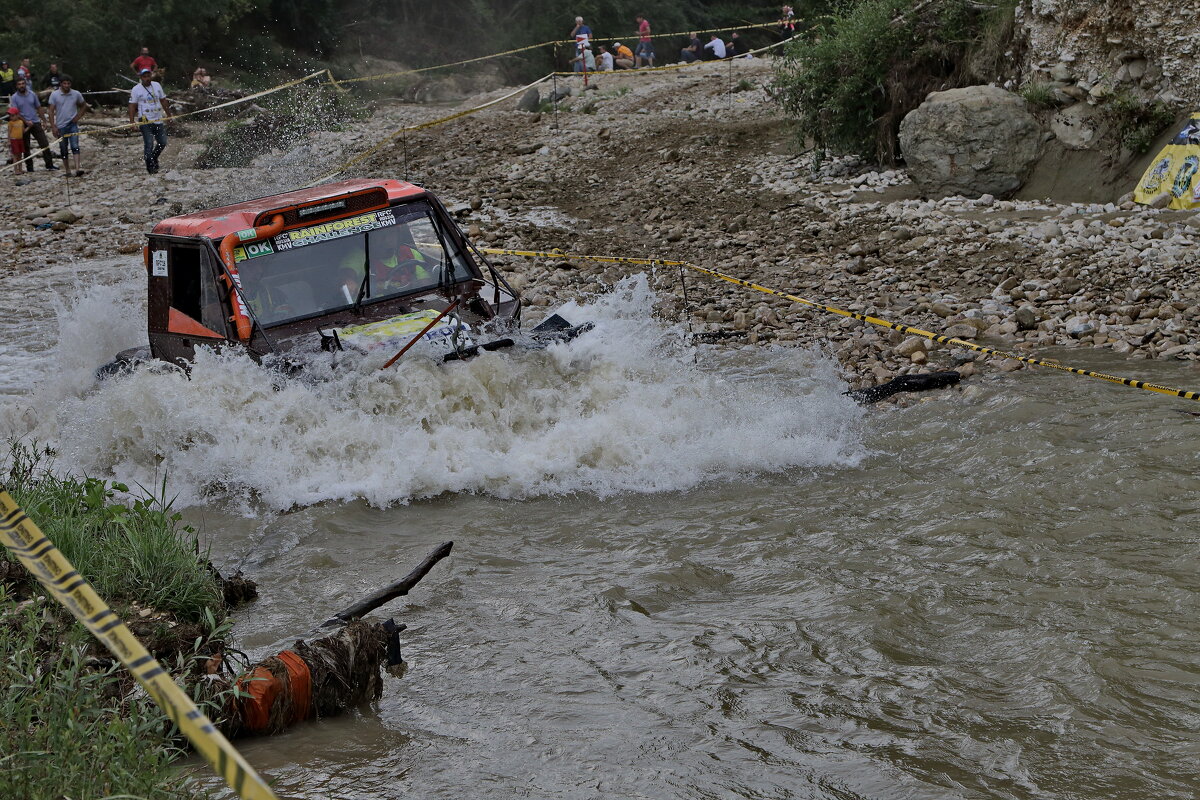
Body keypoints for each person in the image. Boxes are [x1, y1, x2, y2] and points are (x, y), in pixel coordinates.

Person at [9, 76, 56, 171]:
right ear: (16, 86)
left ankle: (49, 165)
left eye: (23, 84)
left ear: (25, 84)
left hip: (35, 122)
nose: (21, 86)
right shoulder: (14, 97)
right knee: (26, 147)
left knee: (44, 143)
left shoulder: (32, 94)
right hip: (22, 124)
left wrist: (44, 121)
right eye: (19, 84)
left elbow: (38, 107)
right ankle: (29, 167)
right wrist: (26, 121)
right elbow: (15, 113)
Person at [128, 68, 168, 174]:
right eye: (144, 77)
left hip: (158, 117)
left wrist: (169, 115)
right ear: (141, 78)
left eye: (148, 76)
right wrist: (132, 122)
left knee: (162, 142)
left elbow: (163, 100)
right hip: (145, 119)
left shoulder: (157, 86)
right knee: (149, 143)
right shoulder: (136, 89)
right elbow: (132, 106)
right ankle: (150, 167)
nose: (147, 79)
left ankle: (154, 157)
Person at [48, 75, 87, 176]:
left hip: (72, 124)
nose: (66, 85)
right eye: (64, 83)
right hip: (61, 125)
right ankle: (67, 170)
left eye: (68, 83)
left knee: (75, 146)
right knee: (63, 149)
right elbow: (51, 111)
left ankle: (78, 168)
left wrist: (78, 116)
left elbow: (83, 105)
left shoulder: (76, 94)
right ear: (60, 84)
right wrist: (53, 126)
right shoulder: (54, 95)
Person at [8, 106, 25, 175]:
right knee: (15, 155)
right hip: (14, 140)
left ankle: (20, 169)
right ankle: (16, 170)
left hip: (20, 140)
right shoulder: (10, 123)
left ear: (17, 115)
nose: (11, 117)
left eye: (13, 115)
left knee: (20, 155)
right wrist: (8, 141)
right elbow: (9, 132)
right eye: (10, 116)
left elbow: (23, 131)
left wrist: (29, 127)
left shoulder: (21, 122)